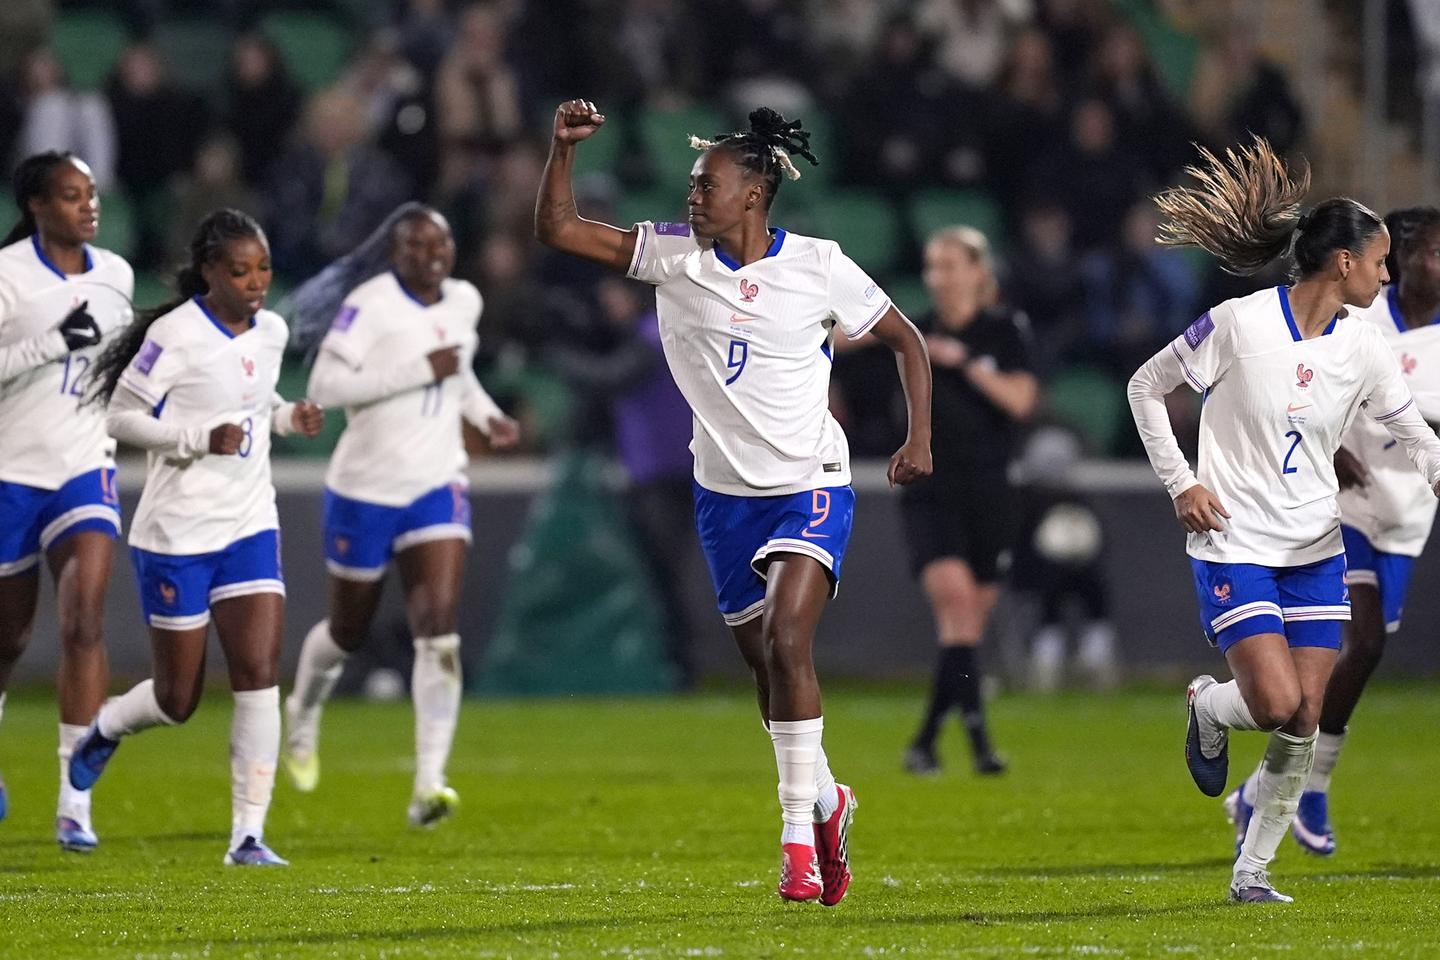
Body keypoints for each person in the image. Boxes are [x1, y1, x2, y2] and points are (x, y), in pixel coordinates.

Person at [536, 100, 932, 904]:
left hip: (811, 482)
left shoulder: (819, 263)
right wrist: (561, 151)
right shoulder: (672, 256)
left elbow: (906, 339)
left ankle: (796, 843)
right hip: (722, 495)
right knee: (764, 666)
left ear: (752, 193)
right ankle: (828, 798)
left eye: (705, 183)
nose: (691, 196)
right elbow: (560, 230)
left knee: (790, 642)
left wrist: (918, 437)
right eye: (690, 183)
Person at [1127, 139, 1440, 904]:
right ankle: (1207, 704)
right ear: (1342, 264)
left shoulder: (1366, 347)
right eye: (1380, 261)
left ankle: (1253, 872)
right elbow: (1145, 385)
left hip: (1315, 546)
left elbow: (1413, 431)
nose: (1388, 274)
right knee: (1272, 704)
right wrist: (1181, 484)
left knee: (1304, 719)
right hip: (1233, 537)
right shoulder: (1238, 323)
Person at [68, 209, 325, 866]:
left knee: (259, 673)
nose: (256, 282)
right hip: (177, 533)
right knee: (177, 698)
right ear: (209, 272)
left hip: (248, 524)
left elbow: (257, 402)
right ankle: (107, 726)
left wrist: (291, 418)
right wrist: (195, 438)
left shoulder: (270, 331)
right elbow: (122, 414)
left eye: (262, 268)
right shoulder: (175, 334)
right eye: (240, 271)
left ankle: (247, 835)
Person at [279, 203, 519, 827]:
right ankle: (302, 710)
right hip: (365, 488)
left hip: (436, 483)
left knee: (439, 631)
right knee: (347, 632)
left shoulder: (464, 300)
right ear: (394, 252)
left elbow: (459, 374)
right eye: (414, 246)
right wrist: (418, 371)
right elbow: (325, 389)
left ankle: (429, 783)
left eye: (439, 245)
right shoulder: (371, 305)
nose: (429, 256)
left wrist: (485, 415)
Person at [1224, 206, 1440, 858]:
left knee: (1358, 655)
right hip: (1340, 509)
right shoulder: (1359, 315)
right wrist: (1333, 446)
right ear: (1399, 259)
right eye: (1431, 251)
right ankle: (1309, 783)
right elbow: (1301, 378)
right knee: (1366, 641)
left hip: (1406, 513)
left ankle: (1261, 787)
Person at [0, 152, 134, 851]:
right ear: (36, 207)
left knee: (84, 620)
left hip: (85, 467)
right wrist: (53, 343)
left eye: (91, 193)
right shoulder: (7, 275)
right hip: (10, 472)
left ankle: (73, 800)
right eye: (71, 195)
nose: (89, 205)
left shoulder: (117, 275)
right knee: (10, 638)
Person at [899, 226, 1038, 777]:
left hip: (991, 490)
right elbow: (847, 340)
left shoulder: (1004, 330)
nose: (939, 276)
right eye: (932, 265)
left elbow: (1022, 400)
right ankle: (977, 746)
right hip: (931, 491)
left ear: (978, 271)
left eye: (950, 264)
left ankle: (929, 740)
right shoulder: (914, 329)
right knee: (956, 608)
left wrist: (965, 363)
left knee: (964, 633)